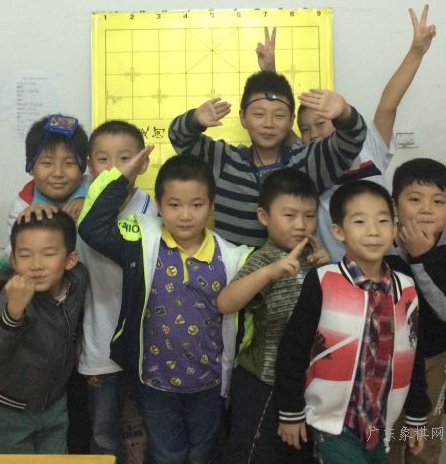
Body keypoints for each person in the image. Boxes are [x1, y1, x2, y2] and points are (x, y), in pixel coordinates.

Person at [78, 148, 253, 464]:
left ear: (211, 206)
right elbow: (91, 227)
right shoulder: (141, 243)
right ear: (159, 205)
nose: (185, 215)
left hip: (210, 384)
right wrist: (124, 175)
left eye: (196, 205)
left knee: (203, 455)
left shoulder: (231, 257)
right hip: (155, 382)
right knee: (166, 455)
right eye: (174, 205)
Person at [256, 6, 437, 263]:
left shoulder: (368, 149)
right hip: (335, 272)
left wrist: (416, 51)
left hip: (385, 265)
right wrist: (269, 73)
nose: (313, 134)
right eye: (305, 130)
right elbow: (280, 122)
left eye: (321, 123)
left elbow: (388, 104)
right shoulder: (308, 161)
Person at [275, 180, 429, 464]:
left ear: (394, 229)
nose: (373, 231)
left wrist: (417, 416)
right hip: (333, 424)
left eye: (383, 221)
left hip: (380, 423)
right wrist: (290, 412)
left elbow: (413, 354)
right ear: (338, 231)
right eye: (360, 222)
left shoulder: (406, 287)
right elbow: (293, 348)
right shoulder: (324, 281)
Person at [168, 70, 367, 247]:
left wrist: (344, 112)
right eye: (259, 114)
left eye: (279, 116)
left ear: (291, 120)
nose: (268, 124)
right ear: (243, 117)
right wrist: (194, 119)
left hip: (293, 274)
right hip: (234, 273)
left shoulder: (307, 162)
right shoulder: (225, 160)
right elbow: (179, 138)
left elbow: (352, 140)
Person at [216, 168, 328, 463]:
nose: (301, 225)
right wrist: (268, 273)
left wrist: (328, 270)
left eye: (309, 215)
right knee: (253, 454)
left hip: (303, 382)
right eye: (289, 215)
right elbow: (225, 302)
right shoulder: (264, 259)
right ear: (263, 216)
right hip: (264, 381)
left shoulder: (314, 258)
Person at [78, 120, 157, 463]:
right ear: (89, 165)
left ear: (143, 162)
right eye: (103, 160)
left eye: (125, 158)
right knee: (103, 434)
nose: (115, 168)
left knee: (150, 431)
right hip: (97, 343)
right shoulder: (80, 209)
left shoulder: (153, 209)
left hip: (146, 345)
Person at [0, 210, 88, 454]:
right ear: (14, 261)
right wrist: (13, 312)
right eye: (25, 255)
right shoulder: (14, 295)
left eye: (48, 254)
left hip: (54, 403)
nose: (37, 265)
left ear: (70, 260)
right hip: (9, 409)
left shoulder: (78, 280)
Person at [384, 158, 446, 463]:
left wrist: (421, 257)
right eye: (415, 199)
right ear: (395, 205)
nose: (426, 209)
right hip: (388, 354)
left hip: (432, 352)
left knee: (425, 433)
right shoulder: (381, 243)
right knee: (389, 430)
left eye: (438, 201)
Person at [0, 114, 90, 263]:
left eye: (69, 163)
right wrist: (29, 222)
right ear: (30, 167)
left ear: (83, 167)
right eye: (47, 163)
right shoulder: (24, 206)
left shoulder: (95, 189)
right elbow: (13, 255)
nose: (58, 173)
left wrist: (91, 203)